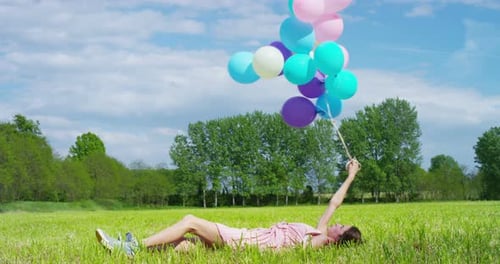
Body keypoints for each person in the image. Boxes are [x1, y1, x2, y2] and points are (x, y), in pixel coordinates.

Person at [95, 159, 361, 257]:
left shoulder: (317, 243)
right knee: (185, 244)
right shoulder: (320, 232)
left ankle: (132, 248)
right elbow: (334, 203)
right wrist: (350, 176)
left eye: (342, 227)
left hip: (247, 241)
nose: (337, 223)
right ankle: (134, 250)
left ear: (340, 239)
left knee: (190, 220)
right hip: (248, 240)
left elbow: (285, 254)